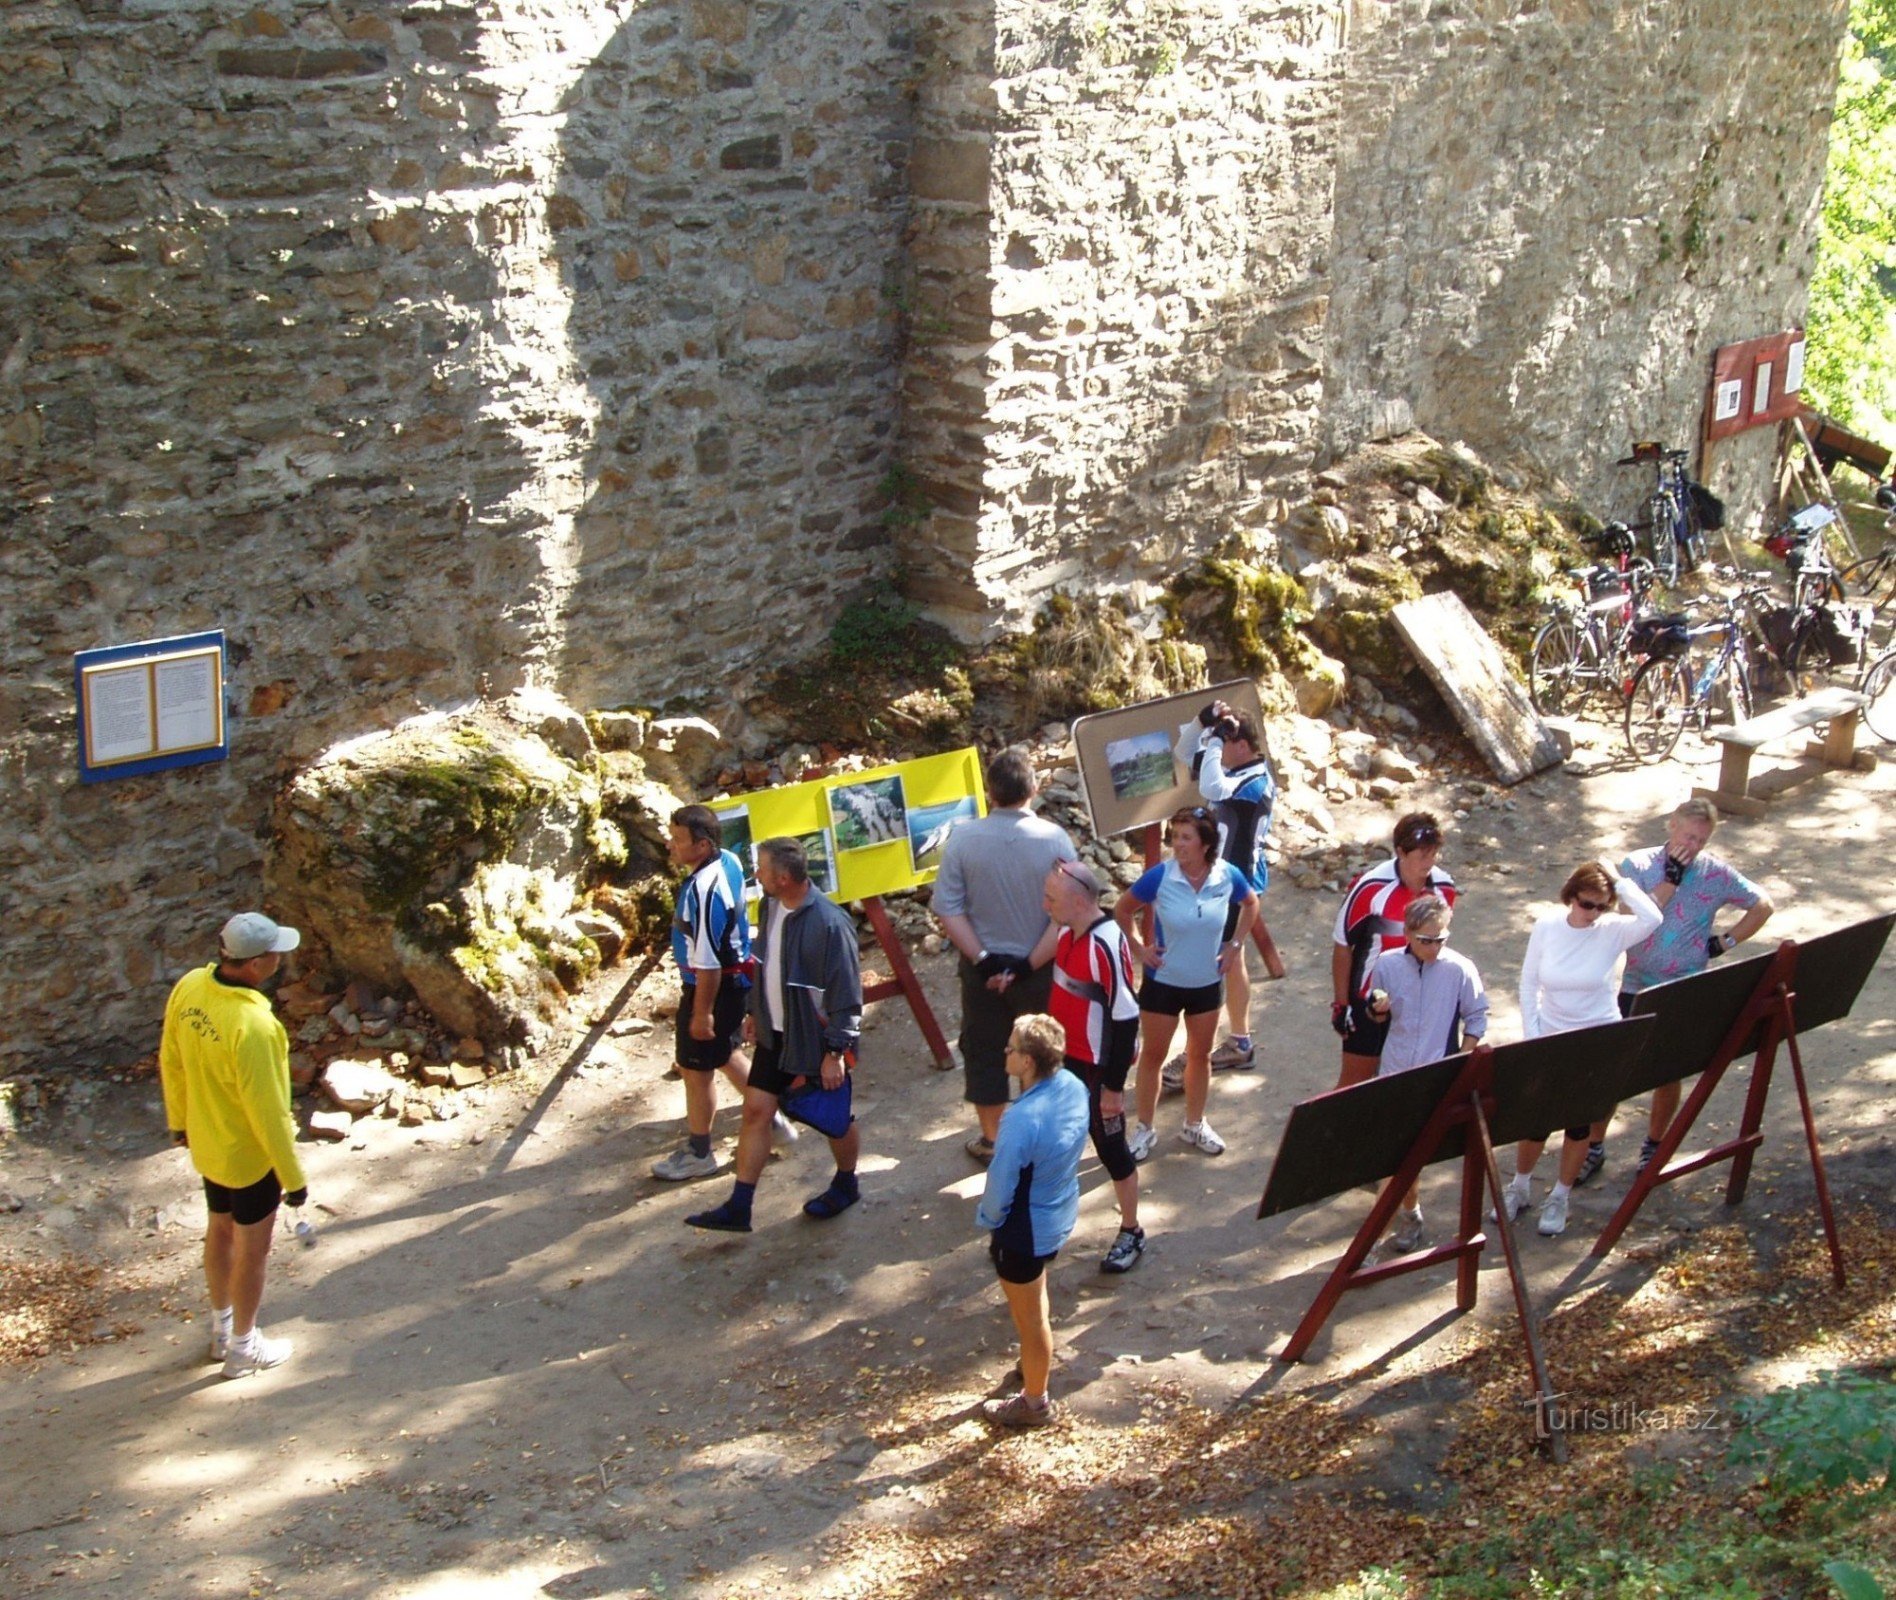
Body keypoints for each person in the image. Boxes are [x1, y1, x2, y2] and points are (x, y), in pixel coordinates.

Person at [686, 837, 863, 1233]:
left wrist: (835, 1051)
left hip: (815, 1042)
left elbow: (847, 995)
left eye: (762, 869)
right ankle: (739, 1206)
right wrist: (755, 1012)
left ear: (783, 878)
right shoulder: (769, 905)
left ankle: (847, 1182)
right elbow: (763, 962)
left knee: (835, 1120)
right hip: (773, 1036)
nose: (756, 875)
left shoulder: (831, 924)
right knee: (755, 1111)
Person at [159, 912, 309, 1379]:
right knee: (253, 1250)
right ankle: (245, 1346)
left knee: (218, 1231)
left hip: (207, 1143)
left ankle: (222, 1330)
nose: (281, 957)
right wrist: (294, 1179)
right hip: (248, 1157)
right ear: (256, 965)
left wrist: (179, 1122)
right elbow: (269, 1113)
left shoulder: (189, 987)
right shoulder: (256, 1027)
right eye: (275, 953)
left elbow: (171, 1059)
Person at [1603, 798, 1773, 1178]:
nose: (1693, 846)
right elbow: (1630, 921)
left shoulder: (1715, 874)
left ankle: (1654, 1144)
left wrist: (1724, 942)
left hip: (1684, 986)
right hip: (1635, 983)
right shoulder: (1638, 865)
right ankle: (1594, 1146)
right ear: (1671, 826)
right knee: (1614, 1067)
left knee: (1668, 1070)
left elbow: (1762, 904)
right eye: (1688, 835)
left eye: (1701, 840)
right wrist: (1670, 881)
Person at [931, 747, 1077, 1164]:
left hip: (983, 973)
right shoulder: (1055, 840)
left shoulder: (963, 839)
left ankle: (994, 1141)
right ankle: (1038, 1140)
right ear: (1034, 787)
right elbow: (1067, 911)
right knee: (1041, 1054)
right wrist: (1026, 964)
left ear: (989, 791)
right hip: (1040, 970)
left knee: (985, 1052)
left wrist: (985, 960)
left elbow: (948, 907)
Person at [1507, 862, 1663, 1238]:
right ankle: (1519, 1186)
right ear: (1570, 897)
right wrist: (1534, 1036)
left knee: (1579, 1122)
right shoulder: (1547, 926)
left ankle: (1560, 1195)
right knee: (1537, 1121)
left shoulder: (1610, 931)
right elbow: (1529, 984)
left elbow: (1653, 917)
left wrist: (1621, 884)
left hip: (1595, 1037)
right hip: (1552, 1035)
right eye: (1586, 904)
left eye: (1600, 906)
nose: (1592, 913)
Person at [651, 804, 791, 1181]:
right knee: (726, 1053)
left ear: (701, 845)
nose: (670, 845)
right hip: (736, 982)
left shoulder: (701, 889)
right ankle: (771, 1117)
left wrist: (701, 1013)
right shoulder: (728, 860)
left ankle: (699, 1151)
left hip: (712, 987)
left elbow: (709, 962)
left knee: (696, 1071)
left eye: (678, 840)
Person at [1115, 806, 1257, 1160]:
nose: (1177, 844)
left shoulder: (1227, 875)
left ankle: (1195, 1124)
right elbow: (1122, 909)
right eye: (1175, 836)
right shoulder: (1160, 877)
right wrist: (1139, 949)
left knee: (1200, 1056)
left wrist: (1235, 944)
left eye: (1185, 837)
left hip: (1207, 985)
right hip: (1163, 983)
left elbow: (1251, 903)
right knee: (1153, 1056)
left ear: (1206, 844)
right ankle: (1144, 1130)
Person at [975, 1013, 1090, 1429]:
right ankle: (1032, 1364)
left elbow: (1001, 1181)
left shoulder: (1022, 1118)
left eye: (1011, 1048)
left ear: (1027, 1062)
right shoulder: (1074, 1087)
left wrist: (987, 1218)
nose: (1005, 1051)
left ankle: (1034, 1401)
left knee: (1031, 1319)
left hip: (1022, 1230)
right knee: (1036, 1298)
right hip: (1058, 1209)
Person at [1362, 895, 1488, 1254]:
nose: (1434, 947)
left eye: (1441, 939)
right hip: (1394, 1071)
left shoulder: (1459, 969)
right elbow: (1377, 1015)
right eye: (1426, 940)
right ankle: (1410, 1214)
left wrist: (1462, 1061)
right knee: (1398, 1159)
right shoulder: (1387, 964)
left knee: (1405, 1160)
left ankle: (1370, 1245)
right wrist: (1378, 1009)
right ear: (1408, 933)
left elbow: (1477, 1015)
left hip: (1435, 1077)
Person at [1039, 860, 1147, 1273]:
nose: (1044, 904)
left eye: (1051, 897)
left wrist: (1114, 1088)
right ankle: (1052, 1227)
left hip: (1097, 1064)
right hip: (1065, 1059)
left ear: (1079, 901)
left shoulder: (1104, 943)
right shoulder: (1067, 928)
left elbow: (1125, 1016)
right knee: (1059, 1143)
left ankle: (1132, 1230)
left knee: (1111, 1148)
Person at [1173, 701, 1283, 1073]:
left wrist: (1217, 737)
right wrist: (1202, 721)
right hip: (1223, 880)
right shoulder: (1234, 766)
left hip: (1237, 883)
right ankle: (1239, 1041)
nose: (1217, 748)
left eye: (1225, 741)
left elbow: (1211, 786)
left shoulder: (1254, 781)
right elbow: (1184, 752)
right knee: (1230, 962)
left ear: (1241, 744)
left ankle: (1198, 1051)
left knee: (1215, 963)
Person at [1332, 812, 1457, 1088]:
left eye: (1434, 853)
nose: (1429, 862)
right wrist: (1341, 1005)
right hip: (1370, 1000)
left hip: (1417, 1001)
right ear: (1400, 851)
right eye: (1422, 855)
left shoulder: (1445, 887)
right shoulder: (1370, 888)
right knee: (1354, 1086)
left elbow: (1438, 943)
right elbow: (1343, 945)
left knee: (1411, 1085)